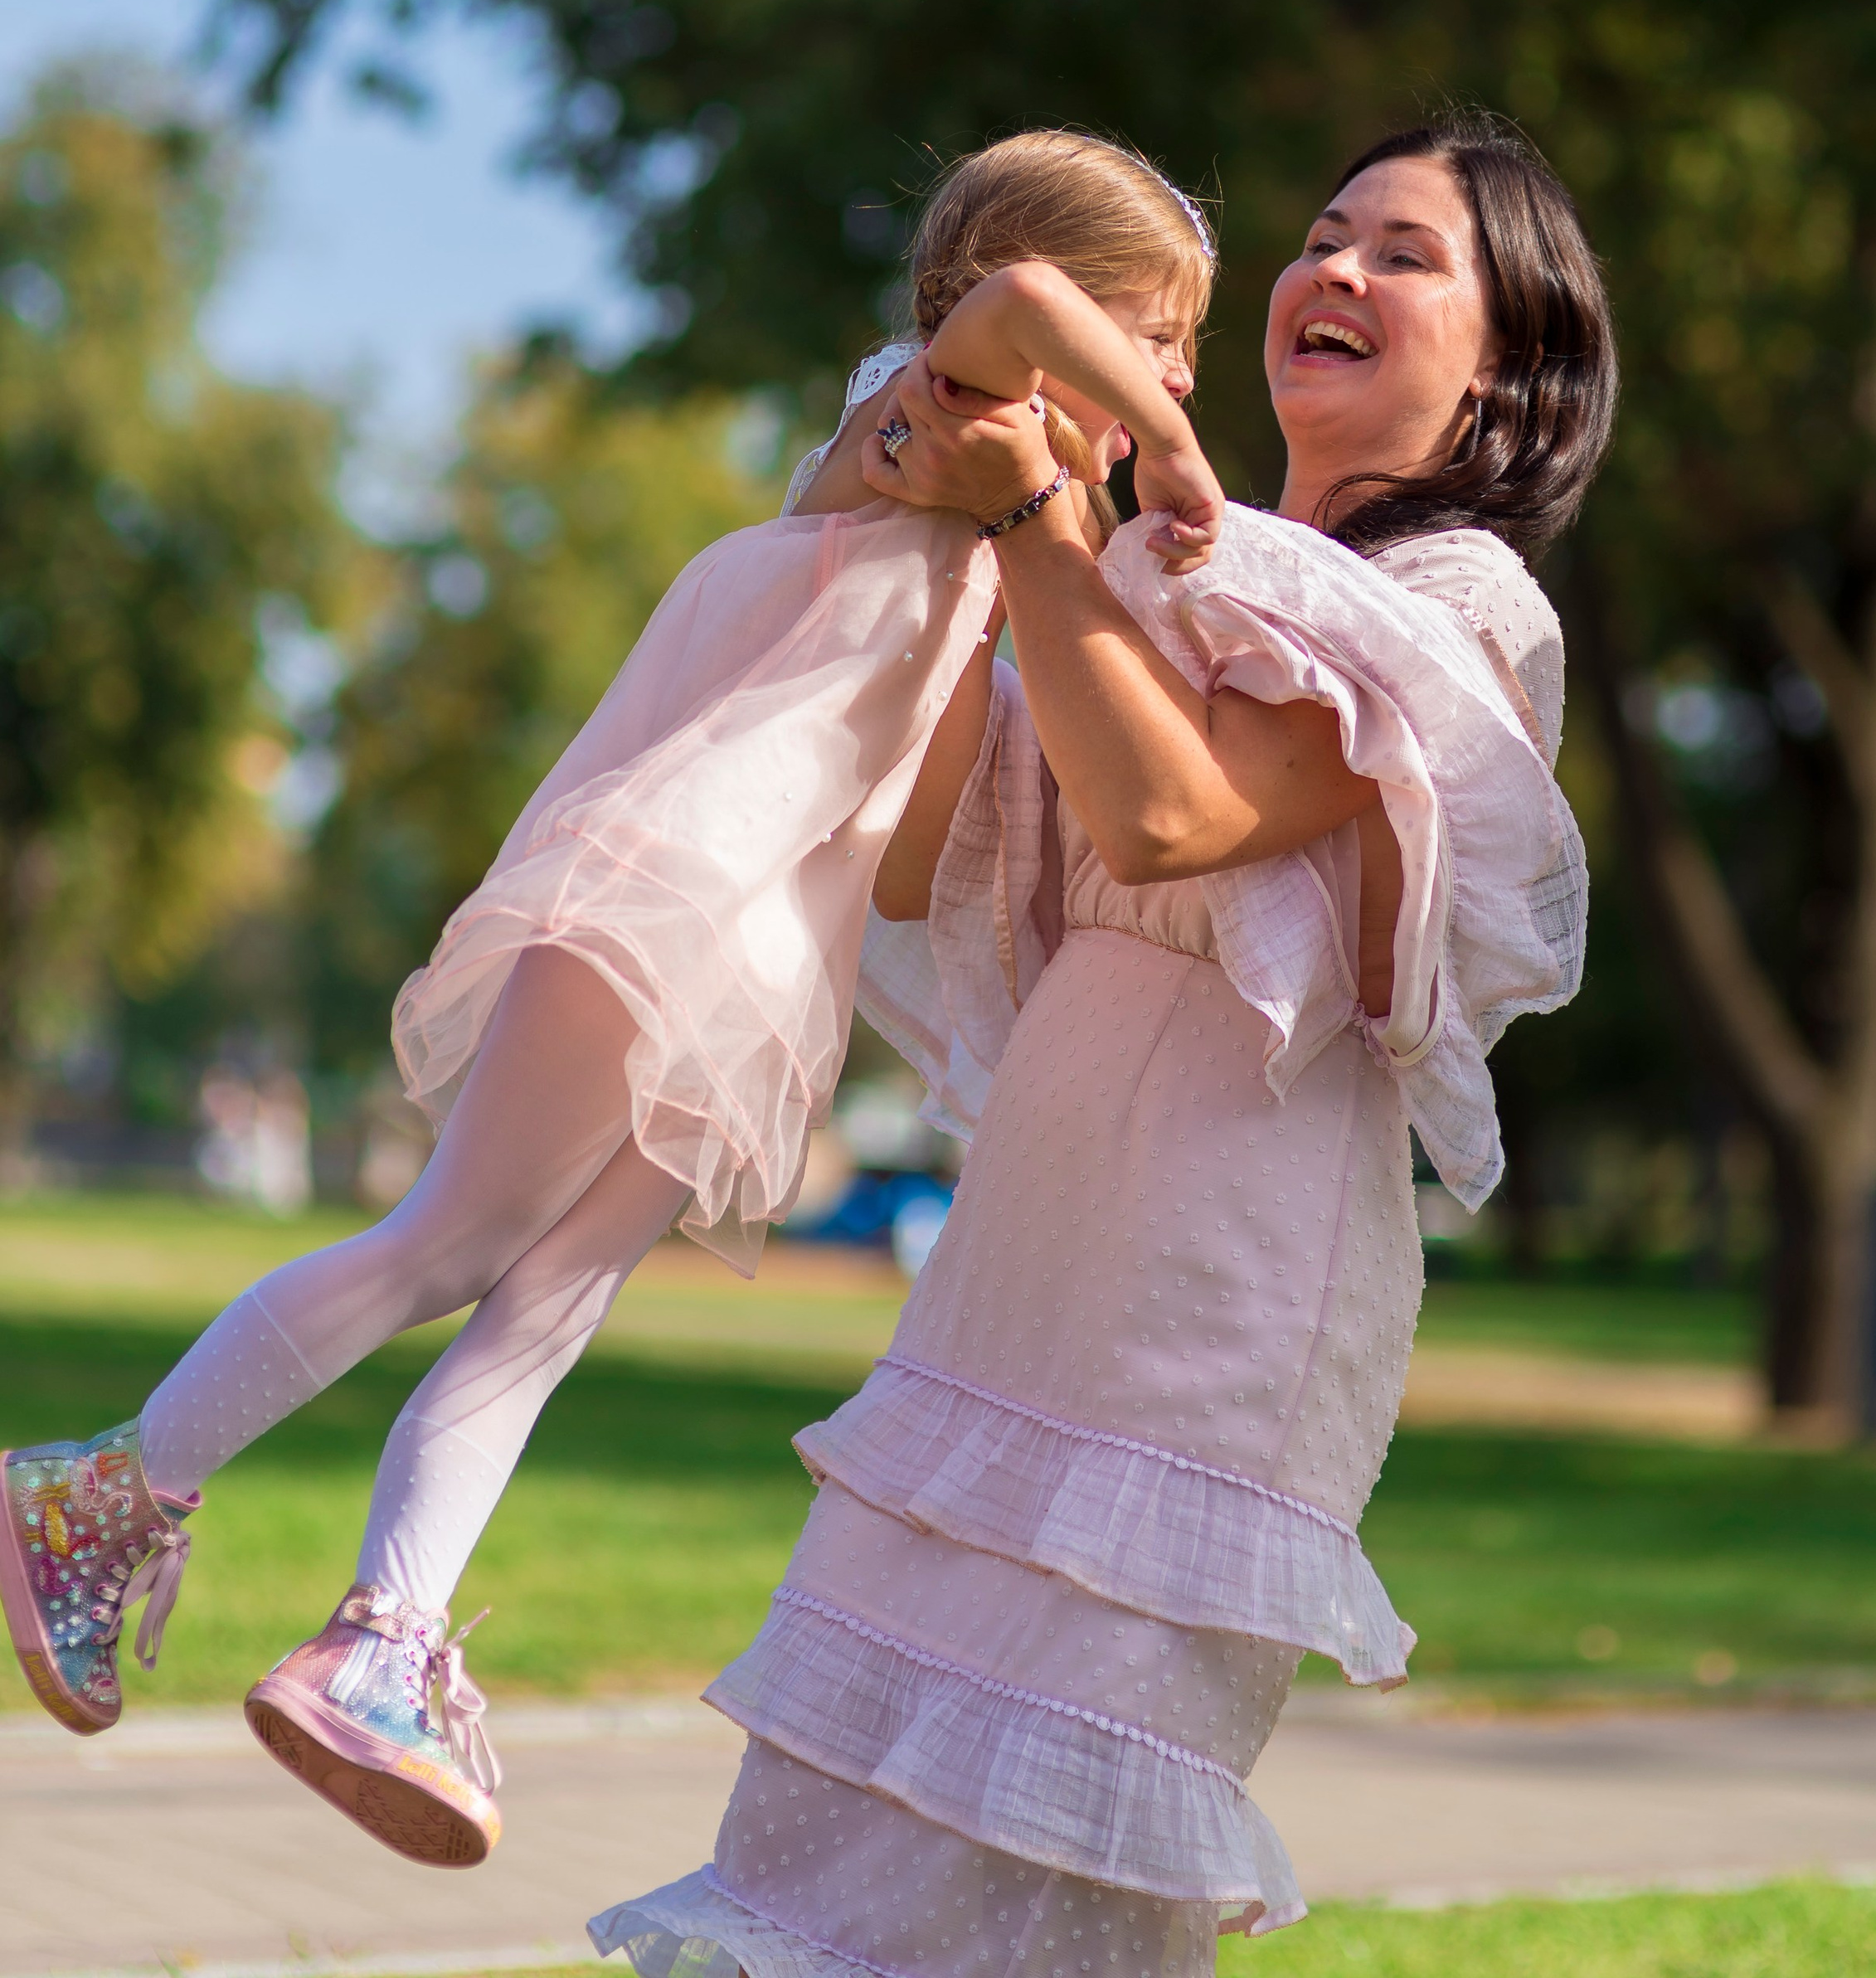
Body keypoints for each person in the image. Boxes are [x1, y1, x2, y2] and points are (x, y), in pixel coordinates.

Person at [0, 132, 1219, 1873]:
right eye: (1160, 335)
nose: (1174, 377)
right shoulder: (925, 400)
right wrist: (1167, 447)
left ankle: (386, 1641)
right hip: (671, 893)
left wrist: (1050, 556)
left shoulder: (1001, 508)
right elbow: (1022, 302)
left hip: (766, 967)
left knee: (546, 1311)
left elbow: (906, 849)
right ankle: (98, 1492)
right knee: (449, 1239)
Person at [591, 112, 1617, 1978]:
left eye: (1405, 255)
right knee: (843, 1812)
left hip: (1218, 1278)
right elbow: (923, 857)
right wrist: (948, 531)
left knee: (1044, 1841)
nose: (1335, 268)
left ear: (1505, 373)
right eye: (1325, 234)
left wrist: (1035, 529)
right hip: (1027, 1244)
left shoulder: (1460, 609)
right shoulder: (1140, 563)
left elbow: (1169, 819)